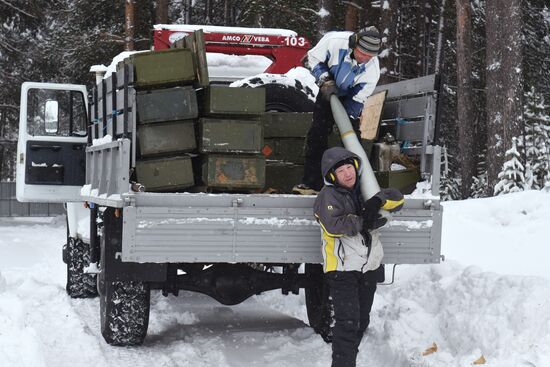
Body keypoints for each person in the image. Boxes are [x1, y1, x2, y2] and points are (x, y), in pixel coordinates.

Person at [313, 147, 404, 367]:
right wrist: (364, 220)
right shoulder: (328, 196)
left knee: (361, 321)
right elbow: (334, 225)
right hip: (342, 270)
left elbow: (398, 201)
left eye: (349, 168)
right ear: (333, 175)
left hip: (368, 269)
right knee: (347, 323)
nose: (347, 173)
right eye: (341, 170)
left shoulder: (365, 189)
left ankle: (348, 359)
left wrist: (377, 201)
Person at [293, 26, 382, 195]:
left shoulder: (372, 71)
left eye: (370, 57)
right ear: (354, 45)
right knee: (317, 135)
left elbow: (358, 98)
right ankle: (311, 183)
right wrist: (325, 79)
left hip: (350, 95)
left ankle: (355, 188)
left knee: (351, 140)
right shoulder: (334, 42)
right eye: (362, 53)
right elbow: (313, 58)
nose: (365, 59)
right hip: (327, 88)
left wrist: (348, 118)